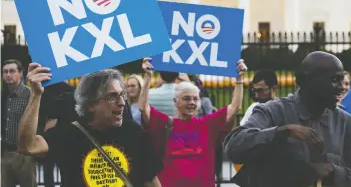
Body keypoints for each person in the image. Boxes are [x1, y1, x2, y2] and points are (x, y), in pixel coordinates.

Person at [224, 51, 351, 187]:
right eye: (334, 80)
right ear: (308, 81)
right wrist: (281, 132)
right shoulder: (273, 112)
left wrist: (332, 171)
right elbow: (234, 146)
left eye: (342, 80)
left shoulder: (347, 124)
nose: (342, 88)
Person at [18, 63, 163, 187]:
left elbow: (151, 182)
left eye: (122, 95)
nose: (122, 103)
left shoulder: (134, 134)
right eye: (112, 96)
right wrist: (36, 94)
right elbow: (28, 146)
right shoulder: (69, 134)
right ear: (92, 104)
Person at [139, 57, 247, 187]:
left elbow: (235, 106)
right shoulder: (165, 124)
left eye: (195, 99)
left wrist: (239, 79)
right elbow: (143, 107)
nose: (191, 102)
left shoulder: (207, 124)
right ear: (175, 101)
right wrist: (147, 75)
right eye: (186, 99)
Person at [1, 59, 36, 187]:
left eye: (12, 71)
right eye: (5, 72)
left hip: (24, 154)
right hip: (5, 153)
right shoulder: (3, 96)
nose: (8, 75)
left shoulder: (29, 94)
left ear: (21, 74)